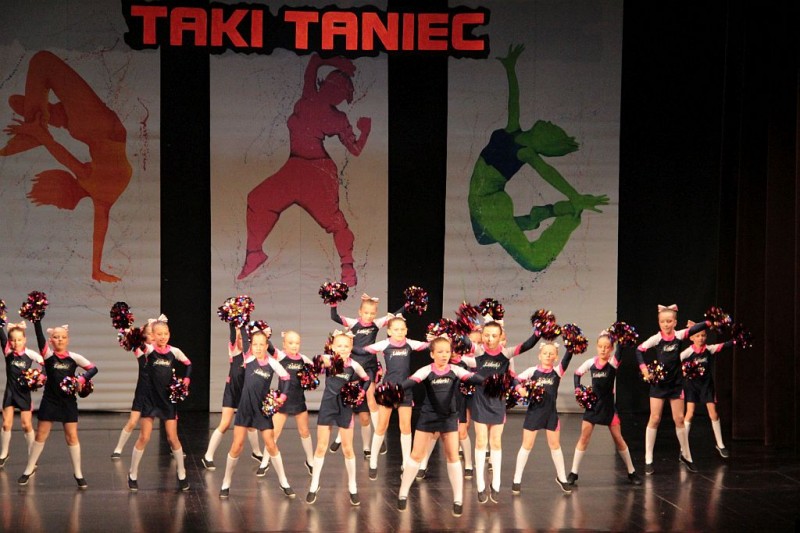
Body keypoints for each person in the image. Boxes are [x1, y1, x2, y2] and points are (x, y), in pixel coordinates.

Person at [468, 44, 608, 272]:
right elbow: (514, 100)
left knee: (534, 261)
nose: (550, 123)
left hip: (490, 204)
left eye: (553, 131)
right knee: (483, 237)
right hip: (479, 201)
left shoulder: (524, 152)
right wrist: (510, 68)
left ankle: (568, 216)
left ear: (545, 143)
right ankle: (541, 214)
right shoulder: (513, 129)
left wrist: (575, 196)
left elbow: (547, 172)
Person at [237, 53, 370, 286]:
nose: (334, 92)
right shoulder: (309, 95)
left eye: (340, 91)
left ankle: (348, 268)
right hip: (294, 167)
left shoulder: (338, 118)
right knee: (258, 199)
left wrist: (365, 131)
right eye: (333, 85)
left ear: (342, 98)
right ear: (324, 84)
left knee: (334, 221)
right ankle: (254, 254)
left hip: (317, 172)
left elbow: (355, 149)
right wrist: (337, 62)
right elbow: (315, 60)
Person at [1, 50, 132, 282]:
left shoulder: (101, 198)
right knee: (42, 61)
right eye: (56, 202)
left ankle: (37, 124)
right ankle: (36, 127)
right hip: (96, 124)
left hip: (94, 127)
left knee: (21, 98)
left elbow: (100, 231)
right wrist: (43, 138)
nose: (60, 208)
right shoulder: (90, 184)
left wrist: (96, 269)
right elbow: (63, 157)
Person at [396, 336, 485, 517]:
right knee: (416, 455)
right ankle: (403, 493)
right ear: (432, 354)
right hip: (428, 417)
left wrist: (494, 382)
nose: (444, 355)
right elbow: (409, 382)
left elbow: (475, 378)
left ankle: (458, 499)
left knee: (453, 456)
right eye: (440, 352)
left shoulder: (456, 370)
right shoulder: (426, 370)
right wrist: (394, 390)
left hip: (449, 418)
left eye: (447, 352)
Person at [466, 320, 540, 503]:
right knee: (481, 441)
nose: (490, 339)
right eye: (486, 335)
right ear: (482, 335)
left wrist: (539, 332)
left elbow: (526, 346)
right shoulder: (478, 351)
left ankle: (496, 483)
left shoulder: (507, 353)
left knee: (496, 442)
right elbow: (462, 339)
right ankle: (480, 485)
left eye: (494, 335)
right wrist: (453, 330)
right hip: (480, 401)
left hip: (497, 402)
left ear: (500, 337)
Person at [18, 320, 98, 488]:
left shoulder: (73, 357)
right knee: (41, 435)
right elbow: (40, 339)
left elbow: (93, 368)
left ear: (68, 339)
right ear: (51, 340)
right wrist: (37, 321)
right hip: (50, 400)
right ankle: (28, 469)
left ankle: (78, 473)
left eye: (63, 337)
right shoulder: (48, 356)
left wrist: (81, 379)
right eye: (56, 337)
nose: (60, 339)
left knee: (72, 436)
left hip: (68, 402)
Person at [219, 328, 294, 499]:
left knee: (271, 444)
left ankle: (284, 482)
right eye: (255, 344)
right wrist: (240, 322)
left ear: (267, 346)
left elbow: (286, 378)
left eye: (261, 344)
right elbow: (241, 335)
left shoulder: (272, 363)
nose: (258, 347)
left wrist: (282, 397)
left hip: (262, 410)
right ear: (251, 346)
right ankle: (226, 482)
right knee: (237, 445)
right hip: (245, 408)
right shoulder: (248, 358)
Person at [637, 305, 709, 474]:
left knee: (679, 419)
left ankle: (687, 456)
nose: (666, 324)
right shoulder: (656, 338)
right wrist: (644, 369)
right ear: (659, 323)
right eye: (663, 321)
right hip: (659, 385)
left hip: (675, 385)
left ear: (675, 322)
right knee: (655, 418)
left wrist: (710, 321)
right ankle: (648, 459)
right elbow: (639, 350)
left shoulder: (679, 335)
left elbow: (697, 328)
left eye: (669, 321)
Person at [355, 316, 428, 479]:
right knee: (381, 426)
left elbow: (428, 346)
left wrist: (439, 338)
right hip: (388, 390)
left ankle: (406, 463)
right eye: (396, 329)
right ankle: (373, 461)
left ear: (406, 330)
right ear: (389, 331)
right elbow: (362, 350)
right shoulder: (384, 344)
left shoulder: (410, 343)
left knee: (406, 427)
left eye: (402, 329)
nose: (399, 332)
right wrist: (345, 344)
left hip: (405, 389)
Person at [328, 294, 399, 458]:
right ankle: (339, 438)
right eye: (366, 312)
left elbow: (394, 316)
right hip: (353, 366)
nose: (369, 316)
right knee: (349, 401)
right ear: (360, 312)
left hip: (369, 366)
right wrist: (333, 302)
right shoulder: (353, 323)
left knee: (371, 400)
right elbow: (334, 317)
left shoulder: (376, 323)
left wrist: (408, 304)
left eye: (372, 313)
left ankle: (379, 437)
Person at [567, 331, 642, 486]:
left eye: (607, 347)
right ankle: (573, 473)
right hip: (593, 406)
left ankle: (632, 472)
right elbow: (577, 373)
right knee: (584, 438)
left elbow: (621, 348)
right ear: (596, 347)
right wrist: (578, 390)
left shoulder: (613, 363)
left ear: (611, 348)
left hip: (608, 407)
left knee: (618, 439)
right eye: (600, 346)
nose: (603, 349)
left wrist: (619, 335)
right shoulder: (591, 363)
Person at [306, 331, 371, 506]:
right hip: (328, 406)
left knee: (348, 449)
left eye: (346, 346)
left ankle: (352, 486)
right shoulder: (329, 360)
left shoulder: (354, 365)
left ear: (351, 348)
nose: (343, 349)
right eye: (339, 346)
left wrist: (360, 393)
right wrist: (318, 364)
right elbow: (317, 361)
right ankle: (314, 485)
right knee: (321, 447)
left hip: (345, 408)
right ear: (333, 347)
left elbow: (366, 379)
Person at [126, 317, 191, 491]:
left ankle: (182, 473)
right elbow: (135, 344)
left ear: (169, 334)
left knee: (173, 438)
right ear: (153, 336)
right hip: (150, 400)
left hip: (167, 400)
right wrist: (129, 330)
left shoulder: (174, 351)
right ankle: (132, 473)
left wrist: (186, 380)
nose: (163, 337)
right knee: (144, 437)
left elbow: (188, 364)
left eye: (165, 334)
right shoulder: (148, 350)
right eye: (159, 334)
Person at [510, 341, 574, 494]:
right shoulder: (532, 371)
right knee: (527, 445)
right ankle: (517, 478)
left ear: (556, 357)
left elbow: (567, 358)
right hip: (534, 413)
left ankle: (562, 478)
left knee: (555, 445)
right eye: (545, 353)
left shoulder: (557, 372)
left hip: (550, 414)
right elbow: (515, 379)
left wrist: (571, 344)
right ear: (539, 355)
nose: (548, 355)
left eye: (552, 353)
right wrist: (520, 389)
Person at [202, 323, 264, 471]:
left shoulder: (251, 355)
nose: (242, 341)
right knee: (225, 424)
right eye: (240, 339)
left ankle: (256, 452)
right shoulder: (234, 350)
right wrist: (235, 320)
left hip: (245, 393)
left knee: (251, 425)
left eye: (245, 339)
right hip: (232, 391)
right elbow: (233, 333)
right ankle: (208, 456)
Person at [257, 330, 315, 477]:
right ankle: (265, 462)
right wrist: (264, 333)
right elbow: (269, 347)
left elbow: (316, 369)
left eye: (297, 343)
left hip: (298, 400)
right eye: (290, 343)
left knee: (305, 432)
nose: (294, 346)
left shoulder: (303, 359)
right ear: (284, 344)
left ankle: (310, 461)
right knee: (274, 433)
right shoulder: (281, 356)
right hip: (282, 400)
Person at [681, 323, 734, 458]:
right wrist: (683, 370)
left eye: (703, 335)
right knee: (690, 414)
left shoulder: (709, 349)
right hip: (692, 386)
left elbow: (723, 345)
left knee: (713, 414)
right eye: (698, 336)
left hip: (706, 386)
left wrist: (736, 341)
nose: (701, 338)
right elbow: (676, 361)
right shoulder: (688, 352)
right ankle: (683, 448)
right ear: (691, 338)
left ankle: (720, 444)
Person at [0, 321, 44, 468]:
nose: (16, 343)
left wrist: (39, 377)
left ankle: (32, 455)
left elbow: (45, 364)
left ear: (24, 339)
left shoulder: (30, 354)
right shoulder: (8, 352)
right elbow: (1, 335)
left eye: (19, 339)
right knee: (6, 423)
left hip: (24, 394)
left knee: (26, 425)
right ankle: (4, 454)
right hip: (10, 393)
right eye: (12, 340)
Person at [111, 321, 154, 459]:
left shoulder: (164, 351)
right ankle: (118, 448)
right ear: (143, 336)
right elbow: (129, 339)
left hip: (158, 391)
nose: (153, 336)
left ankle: (173, 446)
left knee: (168, 420)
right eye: (149, 333)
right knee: (133, 421)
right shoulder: (140, 349)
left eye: (154, 333)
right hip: (143, 390)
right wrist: (130, 329)